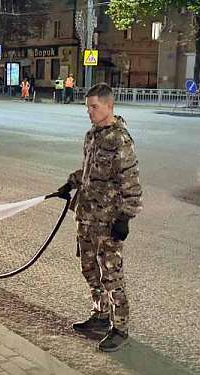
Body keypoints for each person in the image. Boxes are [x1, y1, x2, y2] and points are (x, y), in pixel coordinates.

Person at [51, 83, 142, 352]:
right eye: (87, 107)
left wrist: (125, 217)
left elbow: (131, 182)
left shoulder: (120, 140)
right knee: (89, 268)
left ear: (109, 106)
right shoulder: (92, 135)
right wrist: (71, 182)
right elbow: (89, 170)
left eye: (94, 107)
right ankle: (100, 315)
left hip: (108, 221)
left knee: (111, 275)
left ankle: (120, 328)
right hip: (87, 217)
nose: (89, 112)